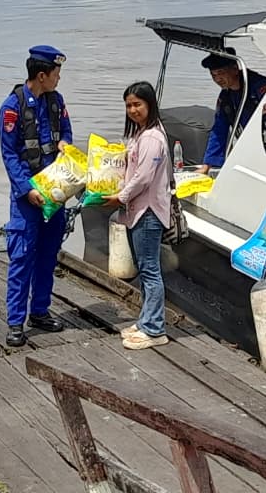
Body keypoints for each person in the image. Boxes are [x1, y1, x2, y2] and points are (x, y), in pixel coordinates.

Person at [0, 45, 73, 347]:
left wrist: (65, 144)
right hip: (27, 197)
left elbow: (66, 131)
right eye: (56, 74)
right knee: (22, 257)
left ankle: (40, 310)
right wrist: (27, 189)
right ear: (42, 75)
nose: (59, 79)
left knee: (48, 254)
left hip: (54, 193)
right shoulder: (12, 107)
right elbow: (9, 155)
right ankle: (15, 321)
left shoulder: (56, 102)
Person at [104, 82, 172, 350]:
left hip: (148, 212)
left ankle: (155, 329)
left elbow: (143, 177)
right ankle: (146, 320)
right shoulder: (140, 134)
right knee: (144, 269)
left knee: (150, 270)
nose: (133, 110)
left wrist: (120, 197)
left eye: (137, 104)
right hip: (137, 210)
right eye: (128, 105)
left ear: (149, 104)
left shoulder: (153, 138)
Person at [198, 48, 266, 173]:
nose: (217, 79)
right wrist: (207, 165)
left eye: (221, 73)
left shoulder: (261, 88)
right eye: (213, 75)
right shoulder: (225, 97)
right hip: (248, 150)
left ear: (235, 69)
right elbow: (219, 130)